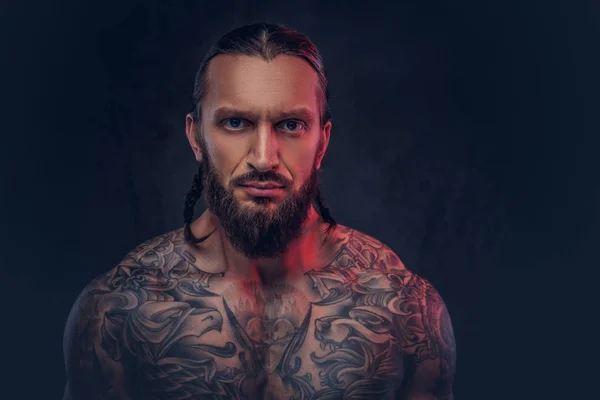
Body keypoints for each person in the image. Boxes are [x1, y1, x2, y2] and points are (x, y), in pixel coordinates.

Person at [63, 22, 456, 400]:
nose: (264, 158)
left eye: (290, 125)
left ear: (322, 142)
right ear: (196, 136)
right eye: (236, 122)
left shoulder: (403, 308)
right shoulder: (117, 311)